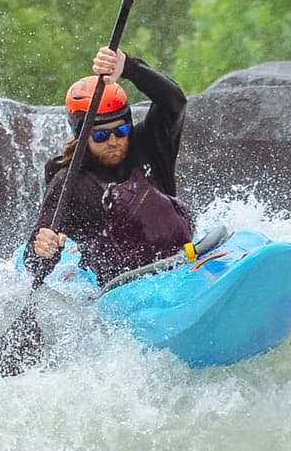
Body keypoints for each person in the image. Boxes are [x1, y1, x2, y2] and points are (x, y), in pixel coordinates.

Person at [24, 45, 195, 288]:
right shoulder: (69, 181)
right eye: (102, 136)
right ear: (82, 138)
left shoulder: (149, 144)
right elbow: (34, 263)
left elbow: (174, 102)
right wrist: (42, 250)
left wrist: (129, 67)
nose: (114, 141)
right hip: (123, 285)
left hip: (182, 263)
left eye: (121, 130)